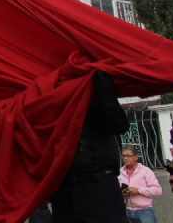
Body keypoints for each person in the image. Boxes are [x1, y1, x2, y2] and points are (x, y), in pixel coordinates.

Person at [49, 71, 128, 223]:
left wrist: (107, 96)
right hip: (65, 188)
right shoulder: (53, 100)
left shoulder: (96, 95)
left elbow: (118, 126)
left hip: (99, 185)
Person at [119, 146, 162, 222]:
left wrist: (138, 190)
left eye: (128, 156)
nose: (125, 158)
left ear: (136, 157)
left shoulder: (145, 171)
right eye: (123, 156)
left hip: (144, 211)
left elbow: (158, 190)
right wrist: (122, 194)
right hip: (127, 210)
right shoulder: (120, 172)